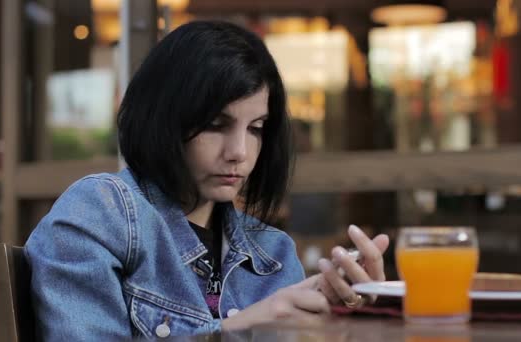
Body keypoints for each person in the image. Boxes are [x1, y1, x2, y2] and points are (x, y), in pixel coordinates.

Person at [25, 20, 389, 340]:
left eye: (256, 129)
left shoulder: (273, 253)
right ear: (162, 119)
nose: (240, 152)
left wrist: (354, 317)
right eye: (216, 125)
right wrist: (235, 330)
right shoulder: (103, 214)